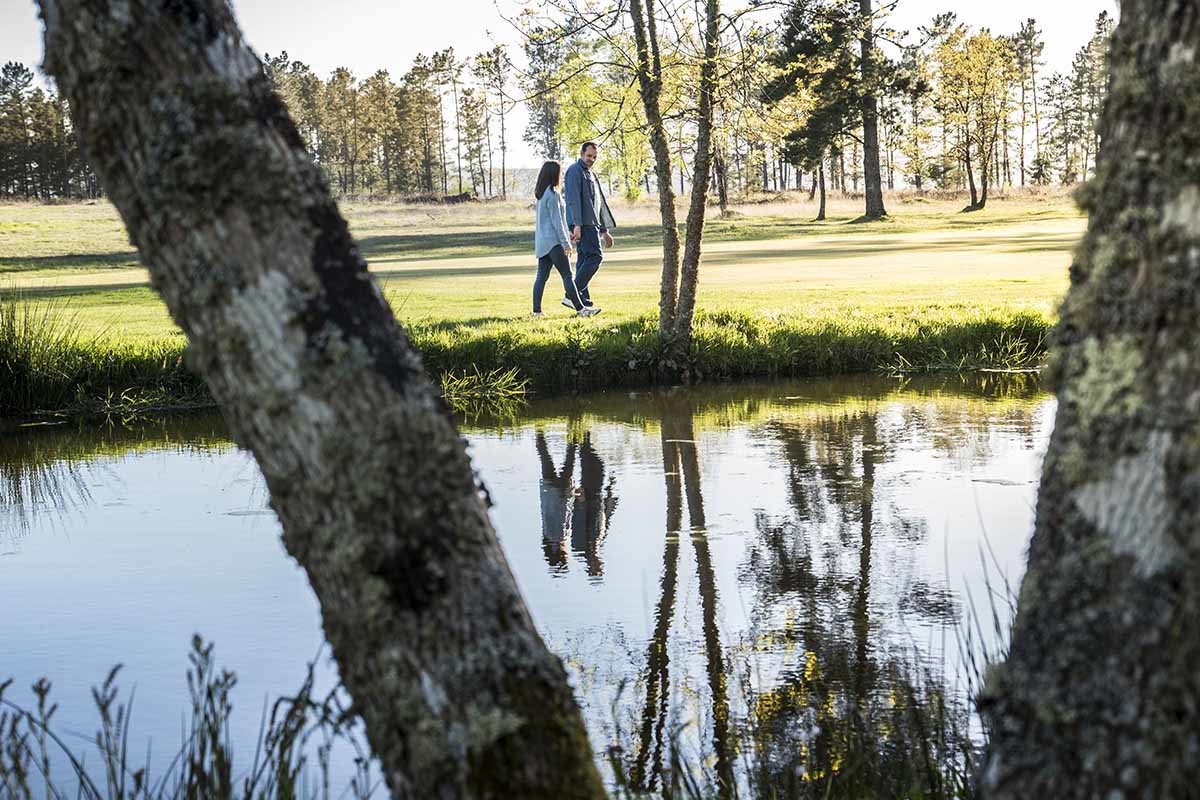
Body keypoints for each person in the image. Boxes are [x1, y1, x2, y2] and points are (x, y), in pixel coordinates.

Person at [533, 160, 598, 317]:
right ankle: (581, 309)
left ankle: (537, 312)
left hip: (542, 243)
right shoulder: (553, 194)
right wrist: (566, 244)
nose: (561, 175)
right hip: (555, 243)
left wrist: (567, 236)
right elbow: (557, 223)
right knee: (567, 276)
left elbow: (550, 222)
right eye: (560, 173)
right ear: (554, 174)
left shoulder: (541, 195)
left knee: (541, 277)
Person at [563, 142, 616, 310]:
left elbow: (597, 204)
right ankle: (571, 296)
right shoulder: (574, 171)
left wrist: (604, 231)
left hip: (592, 225)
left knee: (584, 261)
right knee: (595, 257)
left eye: (594, 157)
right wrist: (576, 225)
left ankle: (583, 302)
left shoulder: (591, 174)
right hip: (583, 225)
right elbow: (573, 200)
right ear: (581, 153)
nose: (591, 159)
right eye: (589, 156)